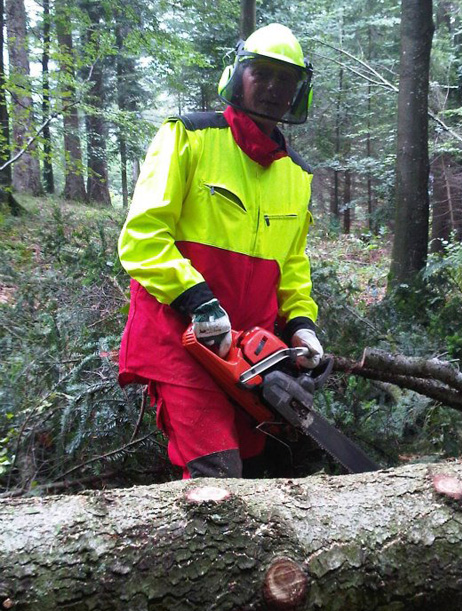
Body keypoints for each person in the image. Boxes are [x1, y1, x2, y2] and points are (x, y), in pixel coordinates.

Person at [117, 24, 322, 479]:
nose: (273, 88)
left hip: (247, 351)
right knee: (217, 470)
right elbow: (143, 236)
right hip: (181, 335)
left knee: (252, 463)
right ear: (237, 75)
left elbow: (292, 264)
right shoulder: (189, 136)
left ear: (298, 90)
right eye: (261, 74)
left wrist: (302, 325)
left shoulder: (296, 174)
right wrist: (197, 301)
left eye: (285, 79)